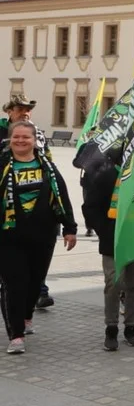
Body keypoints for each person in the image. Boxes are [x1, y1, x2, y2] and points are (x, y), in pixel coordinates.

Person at [0, 122, 77, 354]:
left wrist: (70, 227)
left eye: (26, 137)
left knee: (35, 282)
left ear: (34, 140)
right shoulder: (2, 165)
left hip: (43, 235)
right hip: (8, 237)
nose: (21, 141)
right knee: (14, 284)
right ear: (10, 139)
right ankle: (16, 335)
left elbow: (61, 196)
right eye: (17, 137)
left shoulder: (48, 168)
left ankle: (26, 316)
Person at [83, 145, 134, 351]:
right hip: (112, 239)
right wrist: (104, 230)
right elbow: (90, 206)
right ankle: (111, 327)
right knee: (113, 282)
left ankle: (130, 326)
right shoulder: (106, 173)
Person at [0, 95, 56, 310]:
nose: (25, 112)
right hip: (6, 204)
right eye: (20, 108)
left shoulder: (38, 134)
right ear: (9, 112)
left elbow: (48, 161)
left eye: (28, 109)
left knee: (36, 254)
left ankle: (39, 291)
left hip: (35, 204)